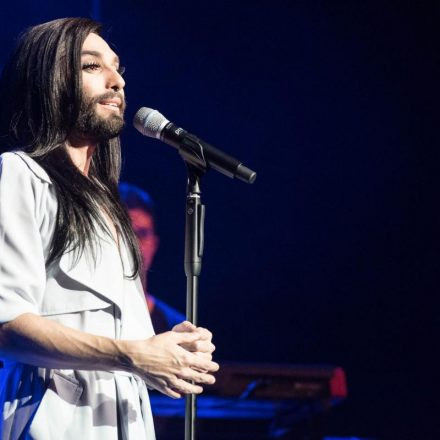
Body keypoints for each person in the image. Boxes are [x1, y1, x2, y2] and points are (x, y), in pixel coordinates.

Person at [0, 17, 218, 439]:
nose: (116, 80)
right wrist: (133, 355)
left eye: (117, 67)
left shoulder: (108, 206)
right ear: (48, 81)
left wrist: (167, 351)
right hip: (52, 423)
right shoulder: (20, 174)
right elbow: (6, 326)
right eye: (91, 66)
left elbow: (125, 343)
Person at [119, 182, 186, 334]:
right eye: (125, 234)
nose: (134, 243)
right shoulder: (88, 313)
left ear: (154, 245)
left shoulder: (175, 326)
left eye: (141, 234)